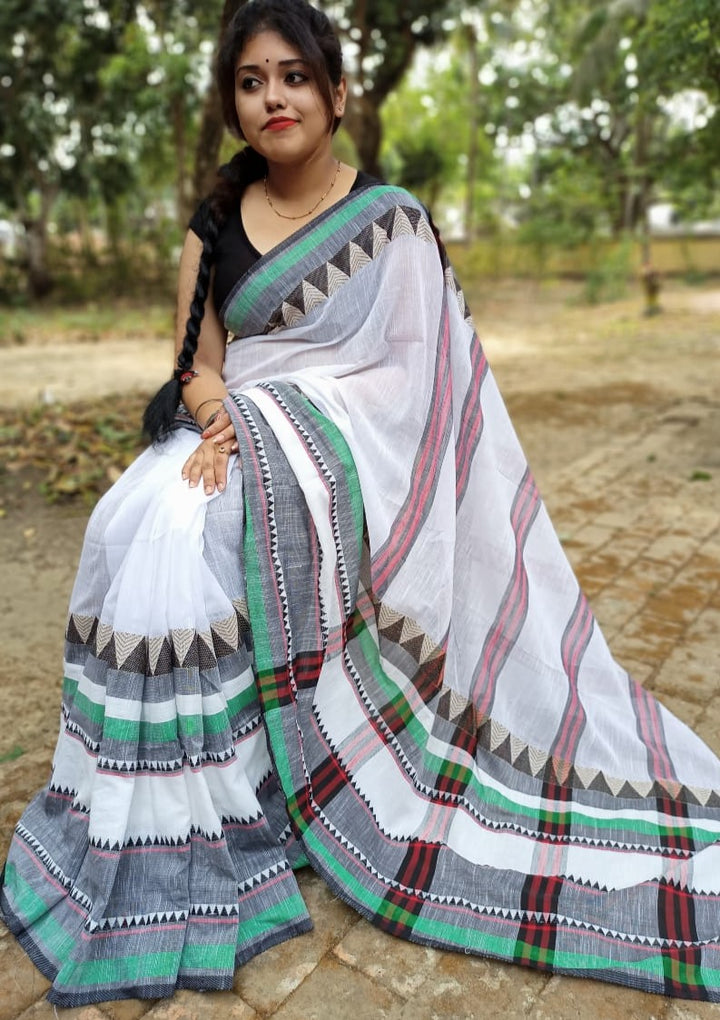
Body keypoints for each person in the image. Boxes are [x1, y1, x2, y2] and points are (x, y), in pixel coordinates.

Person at [2, 0, 720, 1007]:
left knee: (208, 527)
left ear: (337, 95)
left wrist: (288, 427)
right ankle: (198, 809)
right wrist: (221, 422)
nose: (273, 98)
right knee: (141, 524)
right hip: (235, 433)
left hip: (338, 459)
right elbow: (194, 366)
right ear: (234, 106)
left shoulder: (391, 223)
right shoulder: (212, 227)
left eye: (293, 76)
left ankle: (281, 774)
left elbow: (415, 389)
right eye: (251, 83)